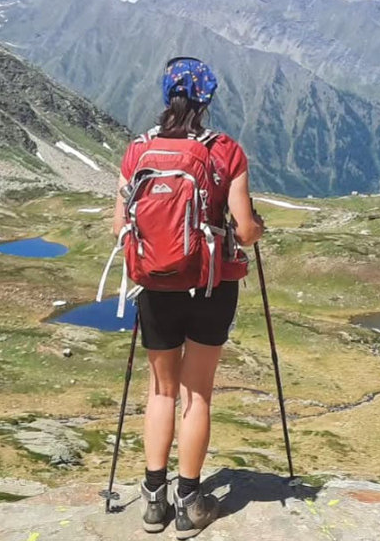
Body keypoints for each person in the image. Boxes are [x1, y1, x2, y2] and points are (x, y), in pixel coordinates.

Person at [112, 56, 264, 538]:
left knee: (160, 390)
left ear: (165, 95)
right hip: (211, 285)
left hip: (154, 286)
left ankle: (152, 500)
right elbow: (244, 231)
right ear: (207, 100)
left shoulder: (137, 152)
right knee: (197, 394)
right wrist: (257, 228)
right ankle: (189, 502)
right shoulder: (226, 152)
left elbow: (120, 229)